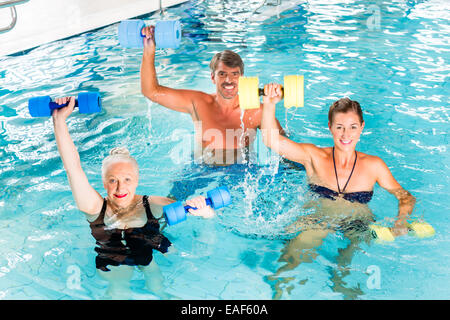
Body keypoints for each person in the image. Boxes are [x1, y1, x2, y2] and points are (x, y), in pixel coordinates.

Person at [260, 84, 416, 299]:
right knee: (289, 264)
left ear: (362, 127)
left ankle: (339, 280)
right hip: (318, 219)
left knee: (348, 266)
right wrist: (268, 104)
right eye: (339, 127)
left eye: (352, 127)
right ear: (330, 127)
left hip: (358, 223)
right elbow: (271, 140)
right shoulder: (313, 156)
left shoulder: (374, 165)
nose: (346, 134)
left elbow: (405, 196)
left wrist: (401, 221)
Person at [52, 96, 214, 299]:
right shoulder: (95, 208)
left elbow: (198, 212)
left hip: (150, 252)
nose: (120, 187)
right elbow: (73, 168)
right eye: (113, 180)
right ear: (104, 183)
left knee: (160, 291)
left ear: (137, 180)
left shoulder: (152, 204)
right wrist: (59, 121)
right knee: (118, 291)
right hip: (113, 260)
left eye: (127, 179)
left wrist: (205, 211)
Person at [140, 26, 284, 165]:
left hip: (240, 172)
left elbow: (282, 145)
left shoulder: (257, 111)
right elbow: (151, 92)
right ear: (213, 78)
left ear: (242, 78)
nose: (229, 80)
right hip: (201, 168)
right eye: (222, 74)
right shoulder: (197, 102)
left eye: (235, 74)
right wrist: (149, 51)